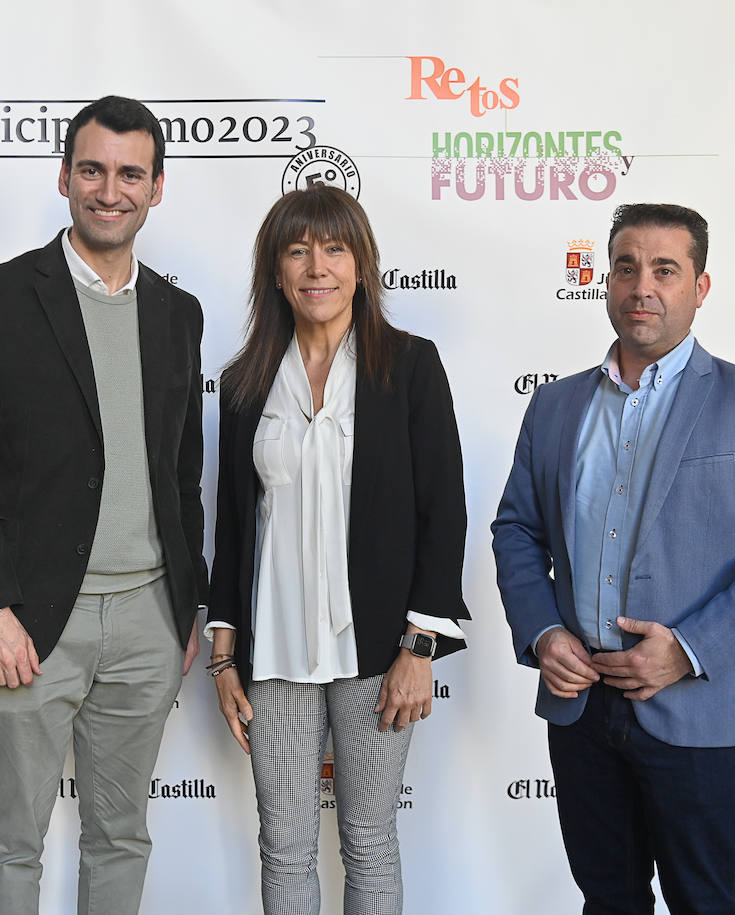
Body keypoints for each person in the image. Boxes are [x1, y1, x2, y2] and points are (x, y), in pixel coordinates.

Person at [492, 203, 735, 914]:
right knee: (608, 899)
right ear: (606, 282)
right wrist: (544, 632)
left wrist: (689, 648)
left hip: (697, 709)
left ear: (699, 286)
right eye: (625, 267)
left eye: (665, 269)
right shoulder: (553, 406)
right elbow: (517, 529)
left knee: (704, 900)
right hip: (581, 710)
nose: (642, 285)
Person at [0, 95, 206, 915]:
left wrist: (187, 603)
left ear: (157, 187)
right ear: (64, 177)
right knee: (14, 840)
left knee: (122, 835)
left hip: (151, 618)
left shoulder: (177, 313)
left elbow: (182, 470)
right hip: (32, 621)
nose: (109, 189)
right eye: (92, 169)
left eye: (130, 173)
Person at [207, 185, 468, 915]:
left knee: (370, 839)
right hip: (276, 654)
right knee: (284, 846)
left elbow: (444, 513)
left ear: (361, 265)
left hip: (380, 653)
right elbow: (232, 528)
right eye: (297, 250)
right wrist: (225, 655)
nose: (316, 266)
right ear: (276, 271)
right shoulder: (243, 384)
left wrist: (420, 645)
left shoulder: (411, 367)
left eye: (333, 248)